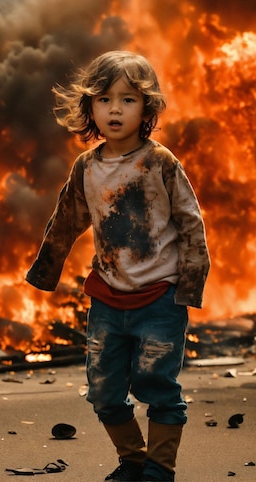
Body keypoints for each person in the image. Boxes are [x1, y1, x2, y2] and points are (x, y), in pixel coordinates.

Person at [26, 50, 210, 482]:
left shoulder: (161, 163)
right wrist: (45, 273)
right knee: (103, 392)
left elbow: (190, 224)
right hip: (107, 300)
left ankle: (159, 469)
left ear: (147, 108)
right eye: (104, 98)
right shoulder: (87, 166)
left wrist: (190, 287)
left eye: (128, 99)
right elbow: (66, 221)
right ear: (89, 106)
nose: (115, 108)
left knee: (157, 386)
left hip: (160, 300)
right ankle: (131, 460)